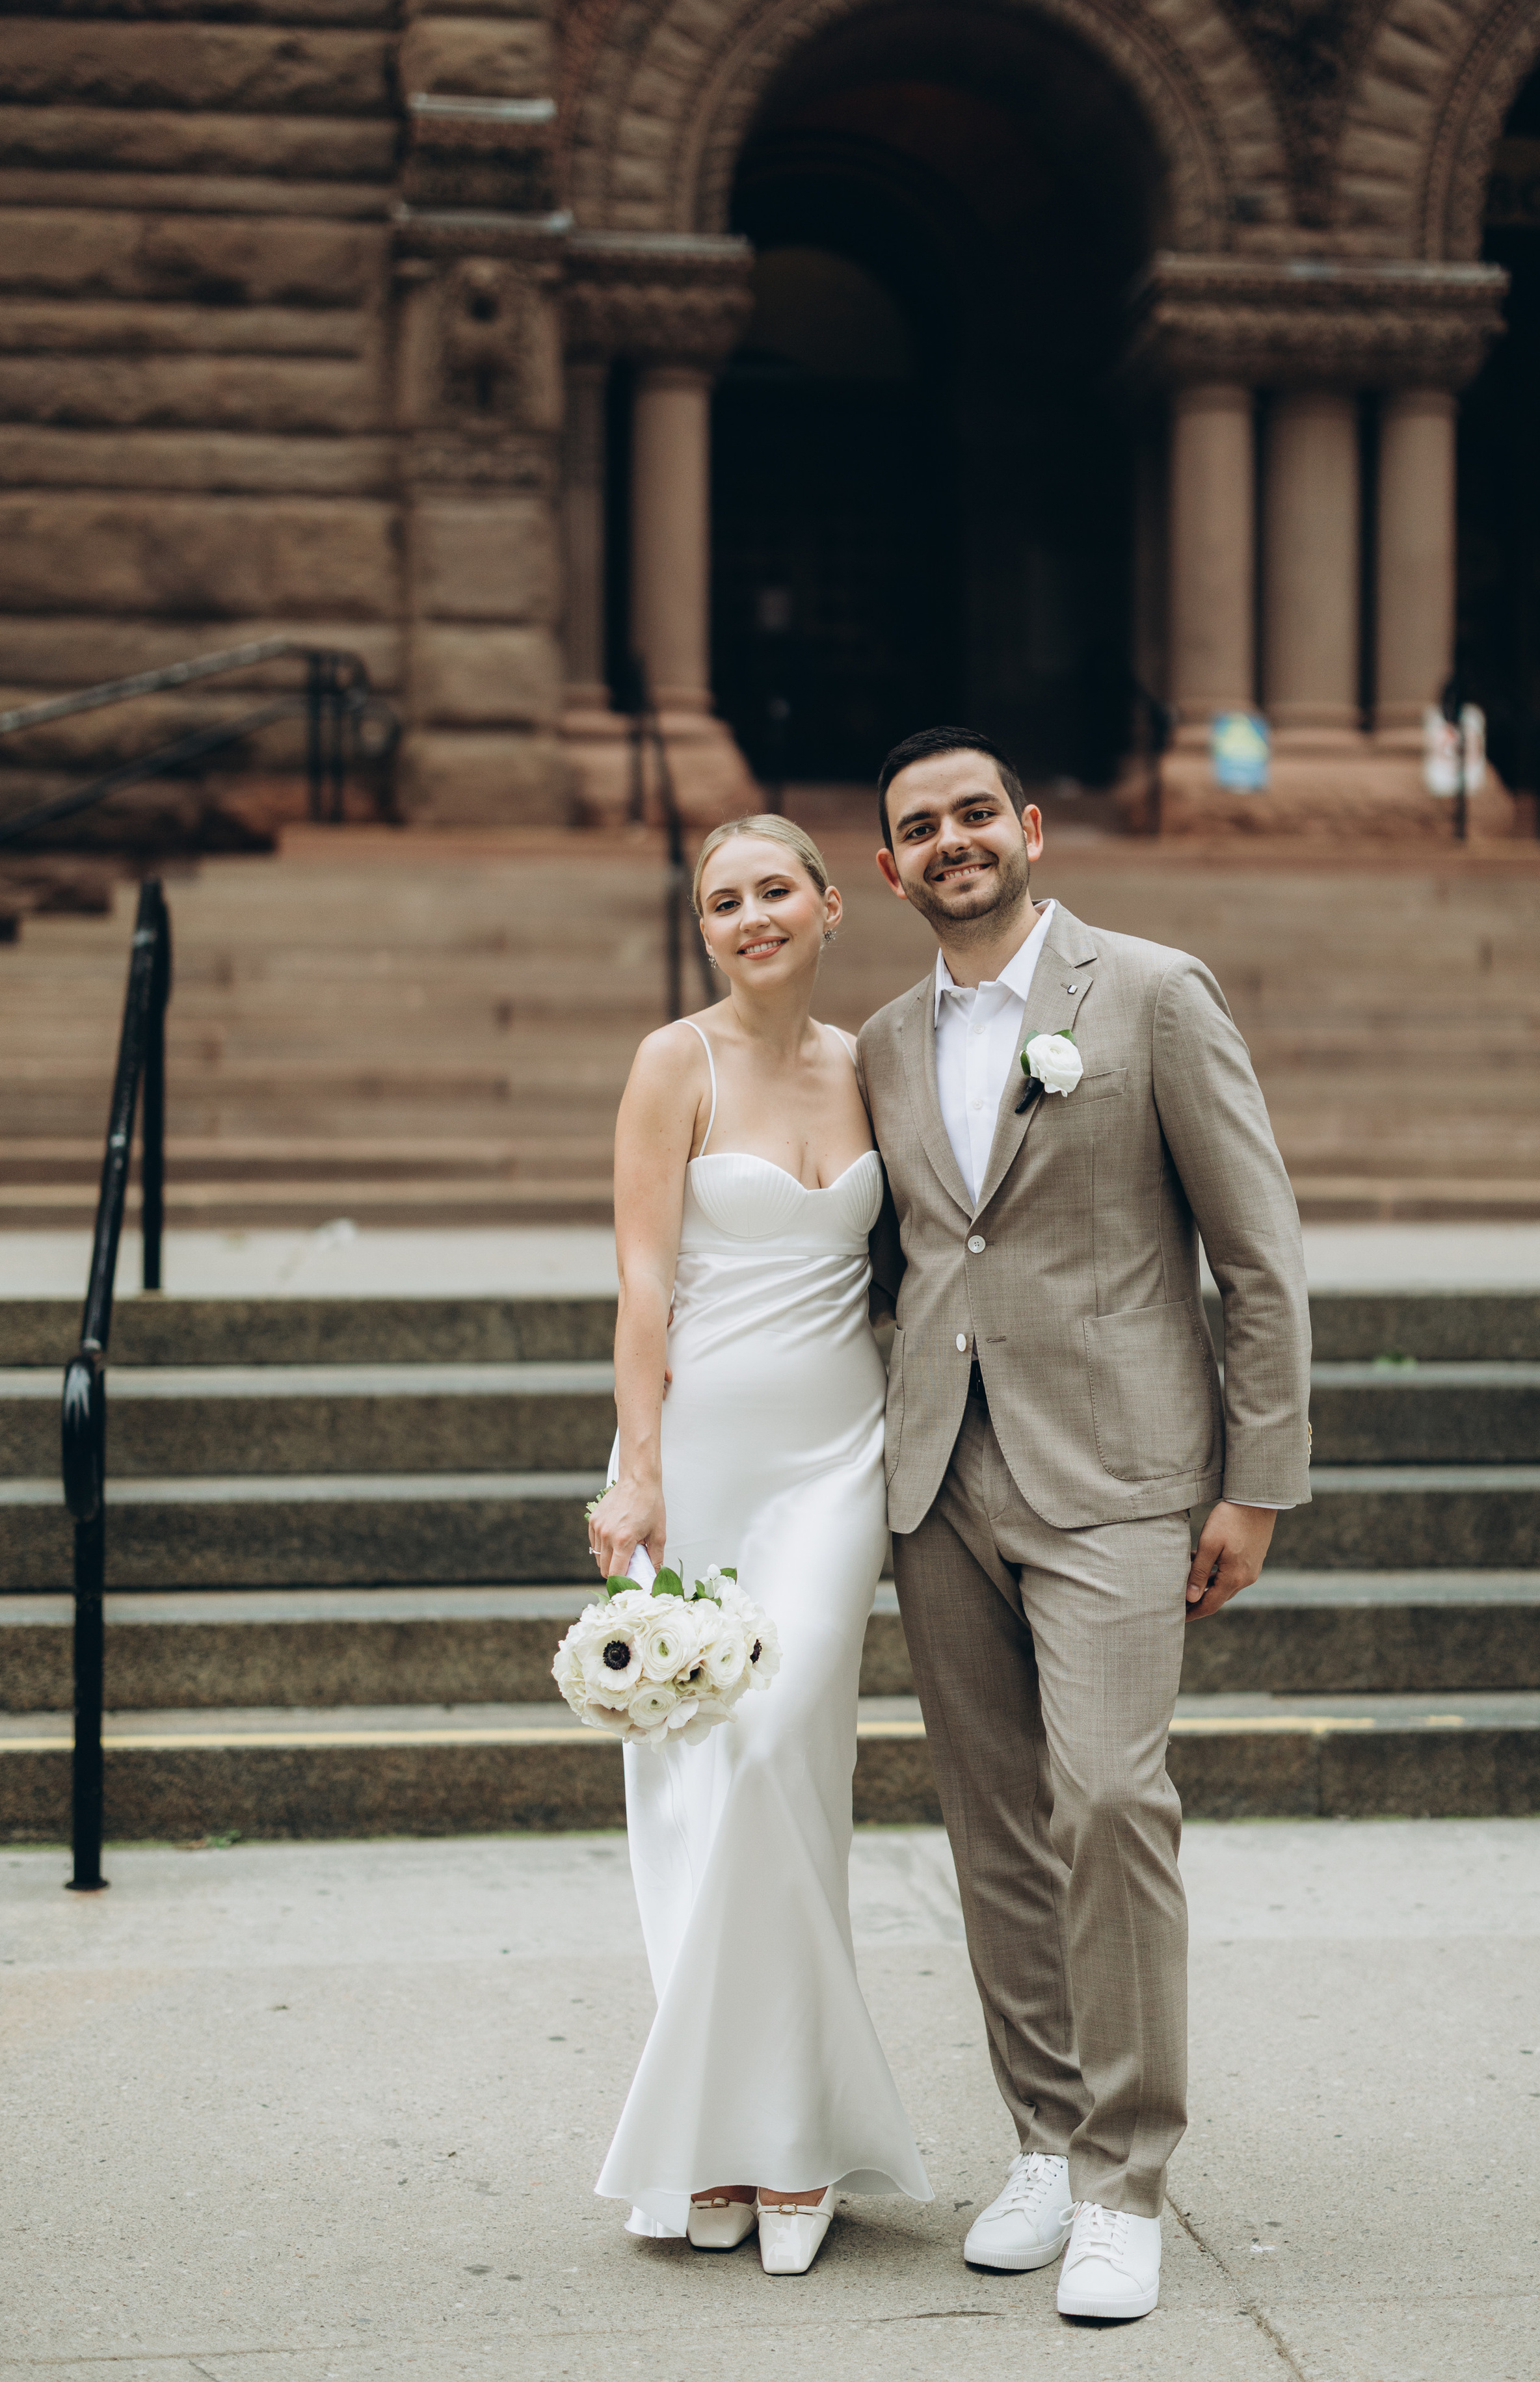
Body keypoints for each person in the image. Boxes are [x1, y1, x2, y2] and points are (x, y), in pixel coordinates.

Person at [858, 727, 1311, 2322]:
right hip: (940, 1483)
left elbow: (1254, 1255)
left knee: (1110, 1806)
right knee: (992, 1830)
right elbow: (902, 1264)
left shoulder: (1150, 992)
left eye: (974, 813)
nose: (950, 841)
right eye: (920, 826)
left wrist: (1254, 1482)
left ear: (1031, 830)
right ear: (888, 866)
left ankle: (1125, 2176)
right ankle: (1043, 2139)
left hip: (1121, 1476)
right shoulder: (879, 1042)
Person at [588, 813, 930, 2275]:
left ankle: (789, 2139)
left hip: (835, 1460)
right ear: (703, 925)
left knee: (791, 1752)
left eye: (771, 889)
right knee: (709, 1788)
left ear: (829, 902)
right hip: (701, 1461)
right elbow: (642, 1278)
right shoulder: (676, 1062)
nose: (747, 916)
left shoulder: (874, 1065)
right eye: (720, 900)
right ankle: (725, 2147)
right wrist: (639, 1475)